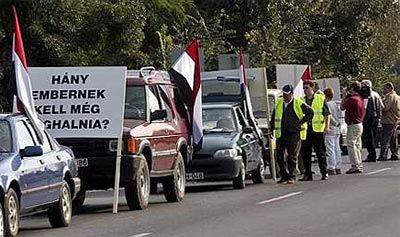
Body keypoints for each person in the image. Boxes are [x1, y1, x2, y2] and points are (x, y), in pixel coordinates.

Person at [270, 84, 314, 184]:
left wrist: (301, 122)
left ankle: (292, 176)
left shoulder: (298, 103)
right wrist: (271, 128)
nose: (285, 96)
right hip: (281, 133)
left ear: (291, 94)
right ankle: (284, 175)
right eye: (284, 94)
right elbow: (274, 116)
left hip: (293, 133)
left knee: (292, 156)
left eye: (287, 94)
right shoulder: (279, 102)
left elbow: (310, 113)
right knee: (279, 156)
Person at [299, 80, 330, 181]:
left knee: (320, 152)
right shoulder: (301, 100)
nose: (305, 90)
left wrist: (327, 127)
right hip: (306, 130)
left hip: (317, 130)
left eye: (307, 88)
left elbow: (327, 114)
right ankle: (308, 174)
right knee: (305, 153)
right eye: (304, 88)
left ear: (312, 88)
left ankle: (324, 172)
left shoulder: (320, 98)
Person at [341, 81, 365, 173]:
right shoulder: (360, 98)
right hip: (359, 124)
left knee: (351, 145)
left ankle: (355, 165)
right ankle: (359, 164)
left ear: (353, 89)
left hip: (352, 124)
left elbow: (342, 107)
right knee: (358, 145)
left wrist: (343, 95)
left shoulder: (352, 99)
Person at [361, 80, 384, 162]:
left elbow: (364, 108)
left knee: (368, 138)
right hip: (375, 118)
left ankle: (372, 155)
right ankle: (372, 155)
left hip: (368, 118)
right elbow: (382, 106)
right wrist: (379, 116)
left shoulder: (367, 95)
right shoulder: (376, 94)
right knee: (373, 137)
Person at [378, 82, 400, 161]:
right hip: (395, 119)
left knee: (385, 138)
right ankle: (395, 154)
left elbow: (386, 108)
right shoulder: (397, 97)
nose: (384, 90)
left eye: (385, 88)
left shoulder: (390, 97)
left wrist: (380, 104)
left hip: (388, 120)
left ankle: (383, 155)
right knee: (393, 138)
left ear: (390, 88)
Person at [323, 88, 342, 175]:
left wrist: (334, 123)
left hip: (330, 128)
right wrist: (338, 124)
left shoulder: (327, 104)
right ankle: (338, 166)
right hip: (337, 129)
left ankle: (331, 166)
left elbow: (329, 116)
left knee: (330, 148)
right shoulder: (335, 103)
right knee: (337, 148)